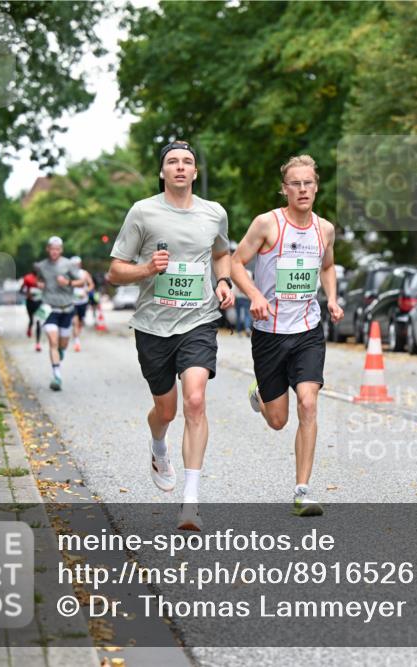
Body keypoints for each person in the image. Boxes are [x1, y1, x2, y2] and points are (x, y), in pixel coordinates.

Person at [108, 140, 233, 531]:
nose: (180, 167)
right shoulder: (143, 212)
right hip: (153, 326)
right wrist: (147, 269)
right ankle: (158, 445)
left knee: (195, 400)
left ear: (195, 172)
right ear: (162, 172)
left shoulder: (214, 213)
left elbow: (221, 253)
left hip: (199, 320)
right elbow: (115, 272)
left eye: (187, 161)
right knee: (166, 411)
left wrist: (224, 280)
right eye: (173, 162)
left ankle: (190, 503)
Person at [230, 155, 343, 517]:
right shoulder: (267, 224)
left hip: (308, 330)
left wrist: (333, 298)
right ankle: (260, 396)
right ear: (285, 189)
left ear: (316, 187)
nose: (303, 189)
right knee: (278, 420)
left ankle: (302, 491)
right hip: (269, 333)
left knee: (308, 403)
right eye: (296, 183)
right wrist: (255, 295)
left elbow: (328, 266)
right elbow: (235, 262)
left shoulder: (325, 229)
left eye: (308, 182)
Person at [34, 237, 86, 390]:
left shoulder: (68, 264)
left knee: (63, 344)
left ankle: (61, 352)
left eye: (57, 249)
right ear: (48, 249)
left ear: (61, 250)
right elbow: (39, 279)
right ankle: (57, 376)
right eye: (52, 249)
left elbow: (82, 282)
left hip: (67, 308)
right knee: (53, 342)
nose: (54, 252)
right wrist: (40, 284)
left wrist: (68, 282)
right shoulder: (42, 266)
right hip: (49, 309)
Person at [69, 256, 95, 352]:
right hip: (72, 302)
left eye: (78, 264)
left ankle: (77, 334)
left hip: (83, 301)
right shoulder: (69, 274)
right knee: (75, 322)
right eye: (74, 264)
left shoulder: (84, 273)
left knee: (80, 322)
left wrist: (86, 291)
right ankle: (77, 342)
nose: (76, 265)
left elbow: (91, 284)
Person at [20, 270, 44, 352]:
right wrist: (27, 294)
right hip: (30, 302)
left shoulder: (43, 278)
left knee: (38, 322)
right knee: (31, 319)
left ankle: (38, 344)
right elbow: (21, 290)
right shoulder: (27, 278)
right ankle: (29, 328)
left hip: (39, 303)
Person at [233, 266, 252, 337]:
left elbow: (234, 286)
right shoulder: (249, 273)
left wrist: (233, 296)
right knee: (247, 314)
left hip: (238, 297)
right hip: (246, 297)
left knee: (238, 315)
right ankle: (247, 328)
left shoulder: (235, 272)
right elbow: (251, 284)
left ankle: (239, 331)